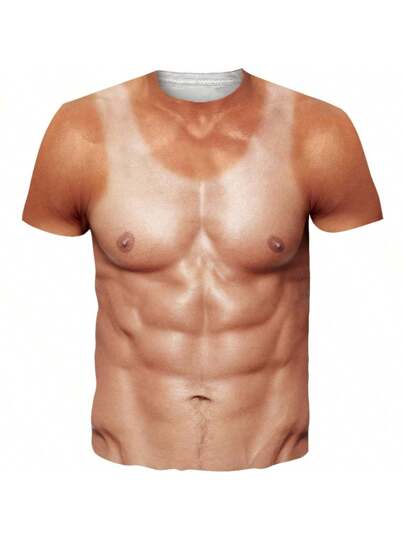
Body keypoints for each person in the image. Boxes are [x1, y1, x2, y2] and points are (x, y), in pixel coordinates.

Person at [21, 68, 383, 470]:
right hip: (120, 469)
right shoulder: (82, 130)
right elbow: (32, 308)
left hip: (278, 469)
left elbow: (371, 305)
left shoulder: (318, 131)